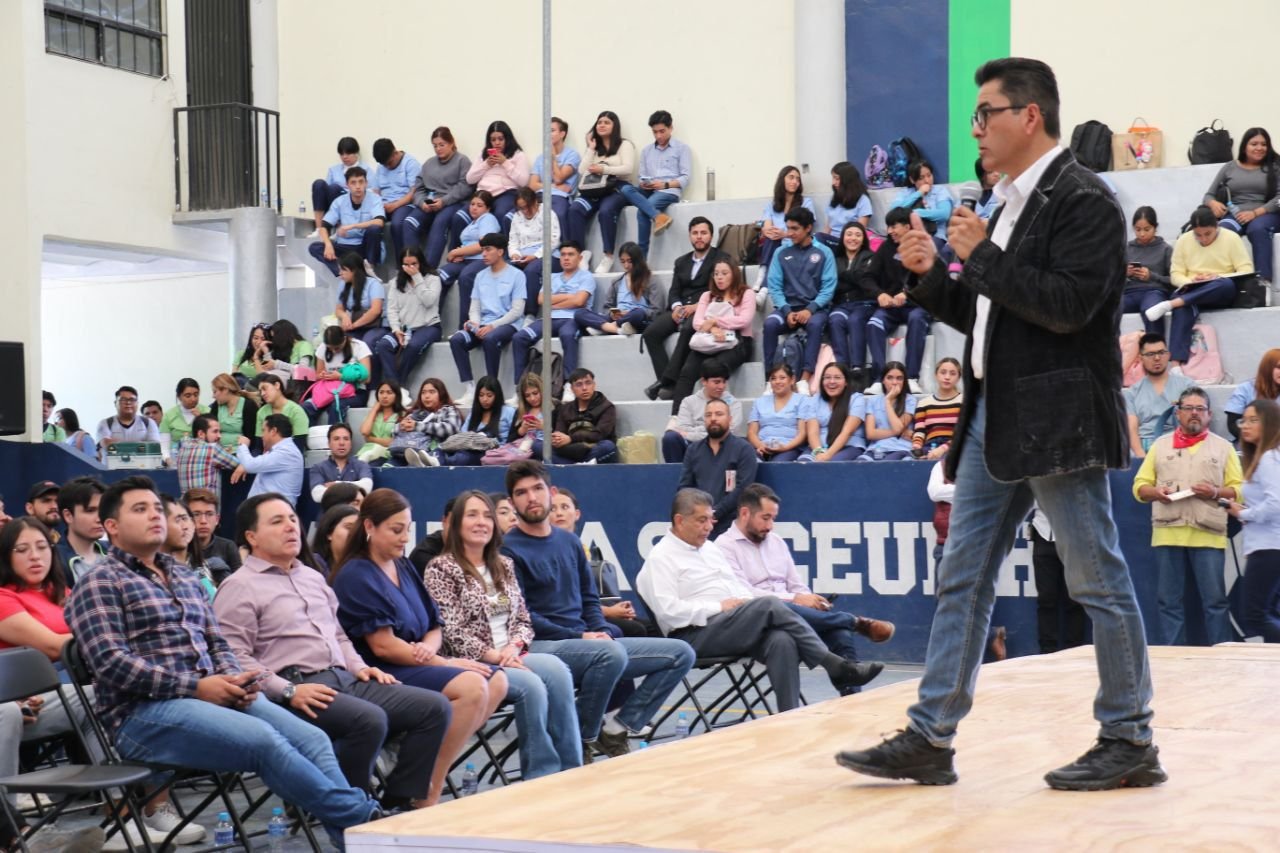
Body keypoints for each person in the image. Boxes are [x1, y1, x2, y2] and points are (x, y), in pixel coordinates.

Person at [837, 58, 1164, 791]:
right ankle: (931, 734)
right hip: (996, 414)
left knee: (1096, 579)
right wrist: (932, 276)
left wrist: (979, 254)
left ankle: (1130, 736)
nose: (976, 129)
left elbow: (1066, 309)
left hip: (1057, 420)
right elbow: (992, 317)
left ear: (1030, 116)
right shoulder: (1007, 201)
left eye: (986, 113)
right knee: (963, 577)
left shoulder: (1085, 200)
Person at [66, 477, 382, 848]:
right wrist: (197, 688)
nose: (155, 515)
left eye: (156, 508)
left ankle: (358, 841)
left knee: (313, 739)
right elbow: (111, 663)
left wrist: (236, 680)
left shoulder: (183, 576)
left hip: (214, 696)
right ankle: (365, 820)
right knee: (263, 740)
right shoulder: (100, 582)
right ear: (112, 527)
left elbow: (217, 643)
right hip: (142, 715)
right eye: (140, 509)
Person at [215, 492, 452, 811]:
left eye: (292, 519)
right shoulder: (239, 586)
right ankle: (351, 810)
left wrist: (359, 667)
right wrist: (287, 690)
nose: (291, 527)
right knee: (369, 720)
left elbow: (338, 635)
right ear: (251, 537)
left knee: (434, 707)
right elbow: (233, 657)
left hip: (343, 679)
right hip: (294, 688)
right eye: (277, 521)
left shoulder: (312, 576)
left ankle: (399, 802)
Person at [503, 461, 695, 758]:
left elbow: (589, 601)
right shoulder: (507, 549)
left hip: (586, 644)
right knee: (609, 653)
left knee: (681, 653)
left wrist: (602, 631)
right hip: (541, 645)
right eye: (521, 493)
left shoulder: (570, 542)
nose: (531, 498)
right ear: (512, 501)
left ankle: (615, 729)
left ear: (551, 492)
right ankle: (582, 740)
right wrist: (581, 637)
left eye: (537, 489)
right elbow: (523, 617)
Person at [327, 490, 507, 807]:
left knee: (498, 681)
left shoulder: (403, 566)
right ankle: (425, 791)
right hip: (383, 671)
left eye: (407, 529)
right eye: (396, 530)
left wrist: (429, 647)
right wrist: (443, 662)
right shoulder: (356, 574)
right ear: (369, 526)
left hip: (419, 659)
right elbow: (383, 647)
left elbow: (435, 624)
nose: (405, 538)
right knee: (472, 687)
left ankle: (423, 773)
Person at [637, 488, 882, 711]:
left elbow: (736, 588)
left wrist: (744, 604)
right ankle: (835, 664)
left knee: (781, 639)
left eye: (711, 519)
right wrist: (718, 606)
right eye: (702, 520)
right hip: (693, 635)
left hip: (732, 623)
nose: (709, 527)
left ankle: (789, 715)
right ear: (680, 520)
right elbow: (669, 612)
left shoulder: (709, 549)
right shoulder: (661, 558)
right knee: (768, 603)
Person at [0, 517, 161, 852]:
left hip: (46, 701)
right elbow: (53, 646)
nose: (35, 556)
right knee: (8, 712)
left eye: (42, 547)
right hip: (13, 706)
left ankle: (122, 817)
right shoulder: (4, 598)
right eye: (22, 549)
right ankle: (12, 827)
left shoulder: (62, 594)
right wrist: (111, 643)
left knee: (101, 696)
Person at [424, 490, 582, 779]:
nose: (481, 522)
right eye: (472, 515)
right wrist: (495, 656)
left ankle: (572, 770)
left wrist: (514, 647)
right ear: (456, 523)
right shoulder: (441, 568)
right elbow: (451, 631)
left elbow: (523, 618)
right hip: (473, 663)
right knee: (532, 685)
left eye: (487, 515)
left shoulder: (503, 564)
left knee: (558, 670)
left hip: (511, 654)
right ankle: (541, 776)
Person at [716, 484, 893, 691]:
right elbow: (745, 594)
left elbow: (797, 585)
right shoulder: (723, 546)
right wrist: (795, 599)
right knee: (776, 605)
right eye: (765, 518)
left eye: (773, 518)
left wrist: (810, 601)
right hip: (757, 622)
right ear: (745, 513)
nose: (770, 525)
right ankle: (853, 621)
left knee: (838, 632)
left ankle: (852, 694)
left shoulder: (776, 542)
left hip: (794, 616)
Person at [1132, 386, 1239, 646]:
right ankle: (1174, 658)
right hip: (1168, 532)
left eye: (1200, 408)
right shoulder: (1160, 446)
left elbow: (1239, 490)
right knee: (1169, 603)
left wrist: (1215, 492)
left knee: (1215, 602)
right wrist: (1156, 493)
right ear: (1177, 413)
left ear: (1209, 414)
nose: (1194, 413)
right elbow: (1139, 486)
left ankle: (1223, 655)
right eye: (1188, 408)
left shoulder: (1223, 448)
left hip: (1208, 533)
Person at [1143, 206, 1253, 368]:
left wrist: (1216, 276)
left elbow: (1246, 269)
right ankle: (1176, 364)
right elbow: (1175, 274)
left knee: (1225, 284)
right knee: (1183, 307)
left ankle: (1172, 303)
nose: (1203, 239)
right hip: (1193, 288)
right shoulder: (1184, 240)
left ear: (1217, 226)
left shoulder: (1231, 238)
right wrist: (1191, 280)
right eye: (1198, 235)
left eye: (1208, 234)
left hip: (1219, 290)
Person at [642, 217, 728, 401]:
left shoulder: (721, 259)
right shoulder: (681, 261)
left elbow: (721, 289)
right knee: (651, 333)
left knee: (689, 328)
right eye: (695, 233)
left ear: (711, 236)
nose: (699, 237)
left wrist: (697, 306)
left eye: (703, 233)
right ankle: (668, 383)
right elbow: (674, 290)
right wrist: (676, 306)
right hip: (681, 308)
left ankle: (666, 381)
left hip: (704, 309)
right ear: (690, 236)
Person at [547, 489, 650, 637]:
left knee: (650, 627)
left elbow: (589, 595)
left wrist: (617, 609)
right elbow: (567, 602)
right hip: (577, 619)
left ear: (577, 514)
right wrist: (610, 612)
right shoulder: (549, 552)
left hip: (595, 610)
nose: (559, 513)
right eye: (552, 509)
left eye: (565, 507)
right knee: (635, 629)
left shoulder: (581, 549)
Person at [762, 207, 836, 395]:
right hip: (787, 309)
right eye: (788, 228)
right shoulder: (781, 252)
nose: (789, 233)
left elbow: (828, 288)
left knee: (815, 324)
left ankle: (804, 379)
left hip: (815, 309)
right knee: (770, 324)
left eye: (795, 228)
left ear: (808, 228)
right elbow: (774, 287)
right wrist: (787, 311)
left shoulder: (824, 252)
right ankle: (769, 379)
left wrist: (810, 309)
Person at [512, 241, 596, 402]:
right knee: (519, 337)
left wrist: (554, 301)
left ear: (580, 258)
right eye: (563, 255)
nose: (566, 258)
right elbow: (541, 300)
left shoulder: (586, 277)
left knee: (568, 335)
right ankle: (520, 388)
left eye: (570, 254)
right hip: (549, 318)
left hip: (572, 318)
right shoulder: (552, 277)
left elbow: (580, 301)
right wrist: (570, 297)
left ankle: (569, 385)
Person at [447, 232, 525, 404]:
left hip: (508, 324)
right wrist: (474, 322)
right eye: (482, 250)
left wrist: (493, 326)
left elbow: (517, 311)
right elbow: (474, 307)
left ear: (500, 251)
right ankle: (470, 389)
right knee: (457, 340)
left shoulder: (517, 275)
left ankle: (491, 389)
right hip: (483, 324)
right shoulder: (480, 276)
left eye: (488, 249)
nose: (483, 254)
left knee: (490, 339)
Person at [1225, 400, 1280, 641]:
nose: (1245, 426)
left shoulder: (1269, 458)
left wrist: (1243, 514)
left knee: (1255, 615)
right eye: (1243, 420)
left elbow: (1276, 503)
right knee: (1263, 612)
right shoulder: (1268, 457)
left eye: (1253, 420)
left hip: (1269, 546)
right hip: (1266, 545)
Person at [670, 257, 757, 410]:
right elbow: (697, 322)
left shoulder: (746, 293)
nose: (719, 277)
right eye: (716, 274)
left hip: (736, 340)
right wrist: (712, 329)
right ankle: (676, 417)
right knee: (687, 371)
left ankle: (716, 412)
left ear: (734, 274)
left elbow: (744, 320)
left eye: (724, 273)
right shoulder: (707, 296)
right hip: (710, 339)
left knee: (714, 368)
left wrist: (715, 321)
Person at [1202, 126, 1280, 284]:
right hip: (1235, 215)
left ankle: (1262, 282)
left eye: (1264, 144)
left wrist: (1255, 213)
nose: (1259, 148)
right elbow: (1208, 195)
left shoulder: (1275, 167)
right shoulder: (1230, 167)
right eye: (1254, 144)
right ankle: (1222, 281)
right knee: (1223, 230)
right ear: (1245, 146)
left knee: (1257, 229)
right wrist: (1213, 203)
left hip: (1265, 215)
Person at [867, 207, 932, 393]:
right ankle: (879, 379)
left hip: (917, 305)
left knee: (917, 319)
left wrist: (908, 294)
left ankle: (911, 377)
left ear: (907, 227)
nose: (890, 231)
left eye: (894, 226)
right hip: (891, 308)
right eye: (888, 227)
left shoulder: (923, 247)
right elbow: (867, 276)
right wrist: (880, 294)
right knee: (873, 324)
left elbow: (931, 280)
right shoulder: (886, 248)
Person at [567, 110, 636, 274]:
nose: (602, 125)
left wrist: (603, 169)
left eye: (606, 122)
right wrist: (591, 148)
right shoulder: (594, 148)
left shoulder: (624, 144)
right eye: (599, 122)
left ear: (615, 126)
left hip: (616, 187)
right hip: (593, 189)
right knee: (575, 209)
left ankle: (608, 256)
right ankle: (581, 255)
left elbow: (628, 168)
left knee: (606, 211)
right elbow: (582, 170)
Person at [678, 399, 757, 538]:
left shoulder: (744, 449)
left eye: (719, 414)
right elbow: (685, 487)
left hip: (733, 528)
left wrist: (714, 513)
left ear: (730, 419)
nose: (713, 418)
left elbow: (743, 490)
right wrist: (698, 514)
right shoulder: (693, 450)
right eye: (708, 415)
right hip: (699, 527)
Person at [618, 109, 689, 255]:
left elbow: (685, 178)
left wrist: (665, 184)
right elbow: (642, 176)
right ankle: (658, 217)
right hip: (650, 189)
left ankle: (641, 260)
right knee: (625, 189)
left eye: (662, 131)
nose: (658, 136)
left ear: (671, 128)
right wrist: (644, 183)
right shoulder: (647, 151)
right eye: (655, 132)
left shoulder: (682, 149)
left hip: (668, 191)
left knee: (642, 212)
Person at [407, 127, 474, 268]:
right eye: (435, 146)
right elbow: (418, 188)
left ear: (451, 143)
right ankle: (411, 266)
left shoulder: (462, 161)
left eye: (441, 145)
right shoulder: (428, 164)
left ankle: (428, 269)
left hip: (453, 203)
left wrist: (444, 201)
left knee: (440, 223)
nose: (438, 149)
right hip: (430, 203)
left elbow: (465, 187)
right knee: (409, 222)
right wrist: (421, 202)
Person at [375, 247, 442, 386]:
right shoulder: (396, 282)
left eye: (414, 264)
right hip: (404, 329)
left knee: (413, 346)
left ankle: (397, 385)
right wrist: (396, 329)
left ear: (420, 262)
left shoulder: (433, 279)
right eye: (406, 264)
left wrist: (417, 278)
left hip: (429, 327)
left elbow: (429, 301)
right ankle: (395, 388)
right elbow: (392, 310)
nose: (410, 268)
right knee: (383, 345)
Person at [307, 166, 386, 278]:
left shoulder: (375, 199)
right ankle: (342, 271)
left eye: (361, 182)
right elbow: (324, 226)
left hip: (364, 247)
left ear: (366, 183)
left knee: (374, 229)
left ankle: (369, 267)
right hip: (345, 247)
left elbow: (379, 222)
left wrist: (352, 226)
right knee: (314, 247)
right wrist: (328, 244)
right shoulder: (339, 201)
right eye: (353, 183)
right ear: (347, 185)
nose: (358, 186)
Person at [1124, 332, 1194, 457]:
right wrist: (1141, 456)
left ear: (1168, 355)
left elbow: (1195, 421)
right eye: (1150, 354)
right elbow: (1132, 428)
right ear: (1140, 358)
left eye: (1161, 353)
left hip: (1180, 446)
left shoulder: (1187, 386)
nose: (1157, 358)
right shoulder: (1132, 393)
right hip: (1146, 445)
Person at [1027, 507, 1086, 654]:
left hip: (1075, 536)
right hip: (1043, 534)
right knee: (1046, 598)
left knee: (1075, 600)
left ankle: (1074, 652)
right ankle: (1047, 652)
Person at [662, 361, 744, 464]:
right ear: (704, 381)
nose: (721, 386)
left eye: (724, 382)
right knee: (670, 438)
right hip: (692, 446)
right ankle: (675, 473)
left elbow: (731, 431)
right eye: (717, 382)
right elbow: (682, 428)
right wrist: (713, 429)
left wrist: (692, 433)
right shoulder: (689, 402)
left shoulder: (733, 403)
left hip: (722, 446)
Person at [574, 242, 662, 336]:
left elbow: (656, 311)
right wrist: (613, 313)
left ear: (638, 260)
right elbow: (607, 307)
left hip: (638, 320)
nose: (626, 265)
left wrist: (628, 313)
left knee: (638, 313)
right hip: (618, 318)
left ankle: (607, 327)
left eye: (629, 261)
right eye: (623, 261)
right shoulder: (617, 281)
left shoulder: (651, 280)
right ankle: (616, 329)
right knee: (579, 313)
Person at [438, 191, 502, 316]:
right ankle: (434, 320)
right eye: (472, 204)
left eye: (479, 205)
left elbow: (485, 244)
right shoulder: (472, 223)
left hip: (481, 259)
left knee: (466, 276)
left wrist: (456, 252)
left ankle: (466, 323)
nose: (474, 208)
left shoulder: (488, 218)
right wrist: (457, 255)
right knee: (440, 276)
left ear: (488, 208)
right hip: (465, 260)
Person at [460, 120, 528, 236]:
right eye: (493, 140)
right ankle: (461, 247)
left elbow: (523, 181)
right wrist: (486, 165)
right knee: (460, 216)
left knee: (500, 213)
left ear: (507, 139)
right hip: (483, 194)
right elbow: (470, 179)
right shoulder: (483, 155)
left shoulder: (517, 155)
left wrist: (505, 163)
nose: (497, 143)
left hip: (506, 193)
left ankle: (497, 246)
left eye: (500, 139)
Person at [827, 222, 879, 367]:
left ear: (863, 239)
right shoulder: (835, 260)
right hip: (841, 304)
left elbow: (866, 281)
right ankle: (842, 367)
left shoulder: (871, 257)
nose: (853, 238)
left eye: (858, 235)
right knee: (835, 320)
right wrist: (854, 276)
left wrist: (844, 276)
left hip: (864, 303)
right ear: (843, 237)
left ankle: (857, 366)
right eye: (849, 234)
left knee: (855, 320)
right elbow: (834, 284)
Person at [757, 165, 817, 287]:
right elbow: (767, 227)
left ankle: (763, 285)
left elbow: (807, 229)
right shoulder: (772, 205)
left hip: (794, 243)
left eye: (798, 179)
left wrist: (785, 234)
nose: (795, 182)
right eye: (791, 177)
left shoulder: (806, 203)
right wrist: (766, 230)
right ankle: (762, 274)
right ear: (782, 179)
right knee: (771, 238)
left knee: (775, 243)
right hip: (775, 244)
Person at [797, 362, 867, 463]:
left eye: (837, 378)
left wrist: (828, 455)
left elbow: (847, 432)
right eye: (827, 377)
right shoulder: (815, 400)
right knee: (803, 463)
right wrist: (818, 452)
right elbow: (812, 432)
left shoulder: (856, 399)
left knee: (833, 464)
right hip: (818, 447)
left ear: (846, 382)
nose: (832, 381)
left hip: (848, 446)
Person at [508, 187, 562, 316]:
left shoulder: (547, 212)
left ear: (535, 202)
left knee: (531, 271)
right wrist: (515, 254)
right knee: (506, 270)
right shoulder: (517, 216)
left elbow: (554, 240)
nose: (525, 211)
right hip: (523, 254)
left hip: (547, 254)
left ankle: (530, 313)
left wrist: (535, 256)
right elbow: (513, 241)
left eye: (528, 207)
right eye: (521, 208)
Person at [436, 377, 513, 466]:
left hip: (493, 453)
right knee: (441, 450)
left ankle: (440, 462)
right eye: (481, 395)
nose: (484, 399)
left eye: (489, 395)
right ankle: (436, 460)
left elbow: (513, 438)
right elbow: (463, 435)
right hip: (470, 449)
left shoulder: (508, 412)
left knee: (462, 458)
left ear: (497, 395)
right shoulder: (475, 413)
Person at [305, 327, 373, 424]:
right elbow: (318, 374)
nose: (333, 351)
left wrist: (341, 376)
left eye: (336, 348)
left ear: (344, 339)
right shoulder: (322, 347)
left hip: (355, 392)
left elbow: (367, 378)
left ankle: (334, 433)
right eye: (330, 348)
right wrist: (323, 375)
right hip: (329, 391)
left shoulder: (359, 346)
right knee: (306, 408)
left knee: (336, 406)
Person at [309, 136, 374, 238]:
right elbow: (325, 191)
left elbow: (371, 191)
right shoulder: (333, 170)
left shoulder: (366, 169)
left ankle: (339, 227)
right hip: (333, 204)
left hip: (352, 203)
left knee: (334, 188)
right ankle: (319, 228)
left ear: (356, 153)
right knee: (319, 184)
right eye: (342, 154)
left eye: (348, 154)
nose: (344, 157)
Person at [233, 413, 304, 505]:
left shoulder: (287, 452)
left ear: (273, 431)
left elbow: (250, 465)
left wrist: (243, 445)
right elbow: (252, 464)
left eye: (263, 430)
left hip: (275, 510)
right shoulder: (278, 450)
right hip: (263, 508)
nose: (261, 436)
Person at [1123, 206, 1174, 334]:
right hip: (1128, 293)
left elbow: (1174, 280)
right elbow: (1112, 280)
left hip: (1154, 292)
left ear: (1155, 228)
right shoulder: (1126, 249)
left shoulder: (1165, 249)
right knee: (1108, 309)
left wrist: (1151, 276)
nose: (1142, 234)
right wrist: (1125, 274)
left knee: (1151, 310)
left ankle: (1155, 344)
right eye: (1138, 229)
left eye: (1147, 229)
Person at [550, 369, 618, 464]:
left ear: (594, 385)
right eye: (579, 385)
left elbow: (599, 435)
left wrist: (571, 438)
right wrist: (557, 439)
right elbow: (560, 432)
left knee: (608, 446)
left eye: (588, 383)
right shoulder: (565, 408)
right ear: (572, 389)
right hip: (571, 451)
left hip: (593, 450)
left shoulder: (607, 407)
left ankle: (575, 466)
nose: (584, 388)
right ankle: (580, 465)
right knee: (539, 447)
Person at [394, 379, 463, 469]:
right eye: (423, 392)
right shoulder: (416, 412)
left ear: (441, 394)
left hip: (441, 452)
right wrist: (402, 426)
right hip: (412, 449)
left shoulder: (448, 410)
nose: (426, 396)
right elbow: (394, 431)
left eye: (431, 392)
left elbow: (451, 428)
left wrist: (417, 426)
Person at [370, 138, 422, 258]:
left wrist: (394, 205)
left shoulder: (410, 164)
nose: (387, 167)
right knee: (370, 224)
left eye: (389, 163)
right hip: (384, 204)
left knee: (397, 224)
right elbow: (376, 191)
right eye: (384, 165)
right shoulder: (381, 167)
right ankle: (370, 262)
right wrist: (378, 205)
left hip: (404, 204)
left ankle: (402, 264)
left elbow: (413, 193)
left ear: (395, 153)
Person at [333, 253, 390, 360]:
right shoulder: (343, 285)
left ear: (354, 270)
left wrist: (354, 325)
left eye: (344, 270)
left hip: (376, 326)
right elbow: (338, 310)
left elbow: (375, 311)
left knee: (367, 343)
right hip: (356, 326)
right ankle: (347, 370)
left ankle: (371, 371)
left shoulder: (373, 284)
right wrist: (344, 316)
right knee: (339, 341)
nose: (340, 273)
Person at [858, 362, 918, 462]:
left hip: (900, 448)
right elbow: (871, 433)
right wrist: (897, 432)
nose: (894, 382)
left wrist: (887, 401)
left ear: (904, 381)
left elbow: (898, 427)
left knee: (887, 464)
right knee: (860, 463)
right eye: (890, 378)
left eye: (899, 378)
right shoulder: (872, 401)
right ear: (883, 380)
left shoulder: (910, 400)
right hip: (876, 448)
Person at [160, 494, 217, 600]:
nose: (185, 527)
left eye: (185, 518)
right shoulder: (156, 572)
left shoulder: (200, 565)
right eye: (178, 520)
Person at [528, 116, 581, 231]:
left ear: (562, 134)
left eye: (552, 130)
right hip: (539, 196)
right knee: (514, 215)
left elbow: (558, 178)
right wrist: (554, 186)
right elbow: (532, 185)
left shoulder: (572, 155)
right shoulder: (540, 158)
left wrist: (553, 158)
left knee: (558, 215)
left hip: (560, 197)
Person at [748, 363, 807, 462]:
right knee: (751, 460)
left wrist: (785, 447)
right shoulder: (759, 402)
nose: (777, 381)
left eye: (782, 378)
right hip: (762, 446)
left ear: (792, 380)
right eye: (773, 378)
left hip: (789, 447)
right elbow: (751, 432)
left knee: (778, 463)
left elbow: (802, 433)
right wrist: (760, 445)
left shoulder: (802, 400)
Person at [54, 477, 107, 586]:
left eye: (103, 510)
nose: (100, 518)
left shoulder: (115, 552)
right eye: (90, 511)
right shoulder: (53, 559)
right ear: (68, 516)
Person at [175, 415, 240, 502]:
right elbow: (240, 464)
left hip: (186, 507)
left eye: (220, 432)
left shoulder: (183, 447)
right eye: (215, 431)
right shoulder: (212, 449)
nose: (219, 436)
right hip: (207, 507)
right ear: (201, 434)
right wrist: (243, 446)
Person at [182, 487, 241, 583]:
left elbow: (239, 583)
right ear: (185, 518)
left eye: (209, 514)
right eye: (196, 514)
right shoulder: (178, 547)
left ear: (217, 519)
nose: (203, 521)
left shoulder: (228, 546)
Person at [910, 358, 963, 460]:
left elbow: (963, 433)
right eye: (943, 372)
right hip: (930, 446)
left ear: (958, 378)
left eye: (952, 374)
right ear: (936, 375)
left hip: (955, 448)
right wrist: (917, 449)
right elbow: (919, 431)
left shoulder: (964, 401)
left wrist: (943, 449)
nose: (947, 377)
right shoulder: (923, 403)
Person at [309, 423, 374, 505]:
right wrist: (354, 488)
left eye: (346, 439)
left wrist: (336, 484)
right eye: (336, 439)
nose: (341, 443)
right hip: (330, 512)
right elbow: (317, 495)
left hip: (354, 512)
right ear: (329, 443)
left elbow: (366, 488)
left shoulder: (361, 465)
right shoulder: (318, 468)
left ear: (351, 443)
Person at [891, 159, 954, 242]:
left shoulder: (940, 191)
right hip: (909, 236)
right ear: (912, 179)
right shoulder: (905, 193)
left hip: (935, 235)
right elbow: (894, 211)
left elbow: (944, 214)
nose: (927, 181)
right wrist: (919, 193)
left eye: (929, 175)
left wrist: (914, 213)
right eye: (921, 178)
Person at [1225, 348, 1280, 442]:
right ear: (1268, 368)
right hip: (1249, 443)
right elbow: (1233, 425)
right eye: (1279, 367)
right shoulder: (1245, 389)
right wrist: (1257, 442)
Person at [818, 162, 872, 250]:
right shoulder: (834, 198)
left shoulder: (863, 200)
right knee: (815, 240)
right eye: (833, 178)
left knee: (818, 238)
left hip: (848, 242)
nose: (833, 183)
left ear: (847, 180)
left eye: (837, 179)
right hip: (831, 241)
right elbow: (828, 227)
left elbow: (860, 231)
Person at [95, 385, 160, 457]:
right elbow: (107, 445)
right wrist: (140, 446)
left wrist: (118, 445)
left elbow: (153, 447)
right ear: (115, 403)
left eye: (132, 400)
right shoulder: (105, 423)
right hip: (112, 464)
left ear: (137, 403)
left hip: (142, 464)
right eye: (123, 400)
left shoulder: (149, 423)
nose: (128, 402)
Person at [359, 380, 406, 462]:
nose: (384, 396)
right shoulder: (374, 414)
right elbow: (365, 432)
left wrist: (371, 439)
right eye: (381, 392)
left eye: (389, 393)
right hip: (366, 452)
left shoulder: (402, 415)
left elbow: (394, 442)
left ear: (396, 396)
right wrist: (374, 409)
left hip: (387, 455)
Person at [208, 373, 259, 450]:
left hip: (241, 452)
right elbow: (210, 432)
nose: (213, 396)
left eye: (215, 392)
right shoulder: (216, 405)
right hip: (219, 451)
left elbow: (251, 438)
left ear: (225, 390)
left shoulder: (248, 406)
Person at [310, 503, 359, 577]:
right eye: (349, 527)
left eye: (358, 530)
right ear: (329, 533)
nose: (354, 533)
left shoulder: (359, 569)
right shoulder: (313, 564)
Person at [256, 374, 311, 438]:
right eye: (260, 391)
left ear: (277, 385)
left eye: (265, 388)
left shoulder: (296, 411)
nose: (262, 393)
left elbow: (300, 441)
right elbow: (259, 441)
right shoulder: (261, 412)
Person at [508, 373, 547, 458]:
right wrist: (521, 430)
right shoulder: (520, 411)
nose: (532, 398)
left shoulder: (554, 407)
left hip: (544, 449)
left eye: (535, 393)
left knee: (537, 447)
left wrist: (545, 427)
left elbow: (560, 433)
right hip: (522, 451)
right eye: (527, 395)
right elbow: (509, 440)